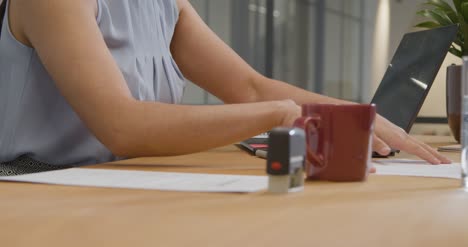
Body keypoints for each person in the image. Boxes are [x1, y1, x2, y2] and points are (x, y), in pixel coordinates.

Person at [0, 0, 450, 176]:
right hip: (38, 188)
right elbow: (121, 125)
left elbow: (250, 87)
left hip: (118, 183)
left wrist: (358, 116)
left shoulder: (165, 4)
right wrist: (279, 115)